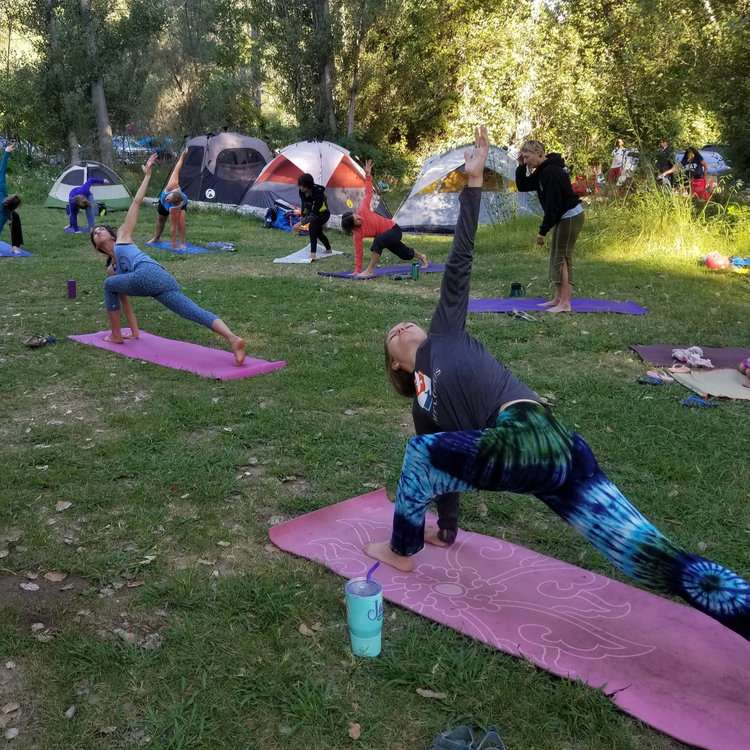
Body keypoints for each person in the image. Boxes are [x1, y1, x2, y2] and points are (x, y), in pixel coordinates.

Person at [364, 125, 750, 640]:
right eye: (393, 333)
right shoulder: (424, 409)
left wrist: (474, 185)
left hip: (537, 431)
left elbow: (460, 260)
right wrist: (448, 529)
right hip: (544, 451)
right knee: (646, 557)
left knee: (644, 548)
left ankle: (401, 551)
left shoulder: (443, 334)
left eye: (403, 323)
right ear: (395, 364)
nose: (402, 327)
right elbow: (442, 468)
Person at [90, 153, 246, 365]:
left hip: (152, 273)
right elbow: (125, 302)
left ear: (111, 234)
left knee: (191, 311)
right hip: (156, 281)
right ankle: (234, 340)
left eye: (101, 228)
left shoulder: (123, 237)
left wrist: (147, 175)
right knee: (114, 285)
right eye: (94, 232)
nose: (98, 231)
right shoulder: (112, 269)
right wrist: (135, 333)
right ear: (96, 245)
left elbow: (136, 203)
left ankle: (115, 336)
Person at [514, 140, 584, 313]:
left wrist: (542, 232)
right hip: (562, 216)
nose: (526, 160)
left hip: (570, 216)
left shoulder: (551, 172)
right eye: (524, 157)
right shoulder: (541, 171)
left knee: (562, 258)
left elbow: (553, 206)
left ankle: (565, 303)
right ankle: (557, 298)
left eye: (527, 156)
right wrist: (521, 166)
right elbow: (523, 186)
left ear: (539, 153)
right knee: (556, 257)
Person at [341, 160, 428, 278]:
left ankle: (370, 270)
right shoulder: (357, 234)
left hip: (394, 230)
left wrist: (368, 176)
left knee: (378, 241)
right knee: (404, 254)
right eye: (356, 220)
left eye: (356, 216)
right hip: (385, 236)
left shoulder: (362, 210)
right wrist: (357, 270)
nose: (359, 218)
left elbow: (368, 193)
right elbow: (358, 252)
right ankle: (422, 256)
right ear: (353, 226)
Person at [148, 149, 189, 249]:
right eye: (168, 198)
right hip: (166, 202)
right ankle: (156, 238)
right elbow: (177, 167)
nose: (167, 199)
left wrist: (174, 244)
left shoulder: (175, 207)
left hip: (179, 204)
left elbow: (173, 227)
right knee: (161, 219)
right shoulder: (172, 184)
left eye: (168, 200)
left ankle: (183, 242)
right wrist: (183, 155)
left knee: (180, 222)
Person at [292, 173, 332, 261]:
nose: (300, 188)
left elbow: (314, 214)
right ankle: (328, 249)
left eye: (302, 186)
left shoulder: (318, 194)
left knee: (312, 227)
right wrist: (302, 216)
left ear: (308, 186)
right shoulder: (301, 192)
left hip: (323, 214)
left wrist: (300, 224)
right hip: (314, 213)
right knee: (318, 232)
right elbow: (304, 205)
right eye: (300, 186)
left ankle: (313, 254)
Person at [0, 143, 23, 255]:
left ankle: (15, 246)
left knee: (15, 217)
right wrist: (7, 152)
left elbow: (2, 169)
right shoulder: (3, 215)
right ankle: (15, 247)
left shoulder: (1, 185)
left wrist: (7, 152)